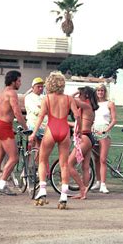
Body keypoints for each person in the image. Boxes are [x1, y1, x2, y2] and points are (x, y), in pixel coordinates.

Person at [29, 71, 81, 209]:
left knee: (42, 160)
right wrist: (78, 130)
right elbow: (77, 116)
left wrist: (34, 133)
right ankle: (63, 196)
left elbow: (40, 117)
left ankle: (43, 190)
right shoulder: (69, 99)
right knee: (64, 164)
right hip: (64, 130)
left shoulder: (46, 98)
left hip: (51, 129)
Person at [0, 70, 28, 195]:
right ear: (13, 81)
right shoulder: (12, 93)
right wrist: (25, 127)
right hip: (4, 126)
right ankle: (2, 184)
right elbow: (17, 113)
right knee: (14, 157)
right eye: (19, 80)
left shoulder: (0, 94)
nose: (20, 83)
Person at [68, 86, 99, 200]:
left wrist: (76, 92)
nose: (78, 96)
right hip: (89, 137)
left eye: (80, 94)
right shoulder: (89, 107)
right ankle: (84, 192)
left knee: (69, 164)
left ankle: (82, 188)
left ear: (85, 95)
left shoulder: (86, 105)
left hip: (85, 137)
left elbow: (69, 98)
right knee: (85, 167)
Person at [91, 84, 117, 194]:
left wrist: (107, 130)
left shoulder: (110, 104)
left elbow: (114, 120)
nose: (100, 92)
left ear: (104, 91)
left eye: (102, 90)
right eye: (98, 90)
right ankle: (98, 181)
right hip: (94, 131)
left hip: (104, 131)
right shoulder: (93, 104)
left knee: (102, 159)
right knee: (96, 159)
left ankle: (103, 184)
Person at [24, 77, 46, 149]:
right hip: (33, 125)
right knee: (32, 146)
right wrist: (45, 110)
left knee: (40, 148)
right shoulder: (29, 97)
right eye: (38, 86)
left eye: (42, 86)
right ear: (33, 87)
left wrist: (42, 108)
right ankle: (29, 160)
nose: (40, 88)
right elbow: (36, 111)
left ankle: (38, 160)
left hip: (43, 126)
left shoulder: (44, 97)